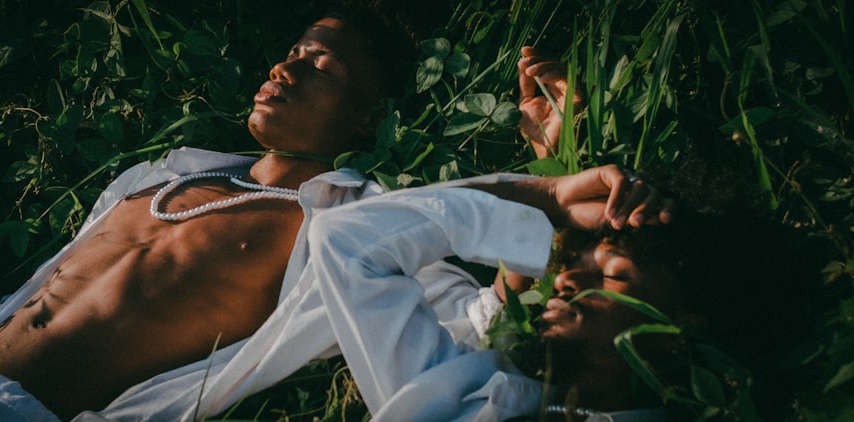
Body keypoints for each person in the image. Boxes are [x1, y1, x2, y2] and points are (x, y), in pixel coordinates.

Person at [0, 7, 425, 421]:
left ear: (370, 119)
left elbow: (449, 307)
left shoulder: (334, 222)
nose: (283, 69)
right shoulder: (162, 175)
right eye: (294, 52)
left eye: (320, 67)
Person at [303, 47, 816, 421]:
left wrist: (548, 200)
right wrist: (549, 192)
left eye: (617, 275)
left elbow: (349, 245)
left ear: (681, 335)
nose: (567, 279)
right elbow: (347, 239)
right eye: (576, 264)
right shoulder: (472, 382)